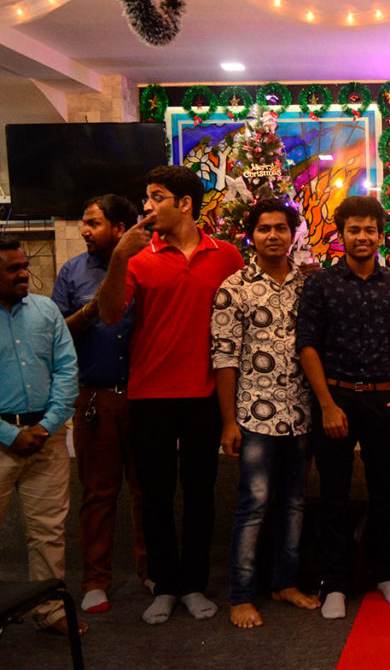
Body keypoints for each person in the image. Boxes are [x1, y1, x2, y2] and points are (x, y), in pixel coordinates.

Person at [96, 165, 244, 624]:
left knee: (201, 493)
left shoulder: (227, 255)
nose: (147, 206)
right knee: (155, 496)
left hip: (204, 395)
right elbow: (109, 314)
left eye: (156, 197)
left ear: (184, 204)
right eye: (147, 197)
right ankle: (164, 585)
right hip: (149, 396)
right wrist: (119, 258)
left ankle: (194, 584)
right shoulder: (139, 257)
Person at [297, 195, 390, 620]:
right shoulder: (321, 284)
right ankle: (335, 583)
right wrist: (327, 405)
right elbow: (307, 346)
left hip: (383, 399)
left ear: (381, 236)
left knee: (384, 489)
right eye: (354, 230)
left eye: (369, 230)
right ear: (341, 234)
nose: (362, 237)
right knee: (334, 492)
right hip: (336, 398)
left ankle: (385, 573)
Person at [210, 199, 320, 629]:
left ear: (292, 234)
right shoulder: (233, 288)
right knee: (253, 504)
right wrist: (228, 422)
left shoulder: (307, 285)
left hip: (300, 413)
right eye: (264, 228)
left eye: (280, 228)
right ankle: (240, 596)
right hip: (254, 415)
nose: (273, 235)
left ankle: (284, 582)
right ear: (251, 235)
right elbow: (224, 358)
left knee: (293, 503)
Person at [51, 195, 148, 614]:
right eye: (84, 222)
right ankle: (95, 581)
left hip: (145, 399)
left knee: (148, 493)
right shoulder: (72, 272)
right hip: (96, 398)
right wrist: (93, 308)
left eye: (93, 223)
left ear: (120, 228)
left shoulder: (149, 265)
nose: (85, 231)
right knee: (97, 496)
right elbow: (57, 335)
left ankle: (150, 572)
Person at [0, 236, 82, 635]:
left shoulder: (46, 310)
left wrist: (47, 426)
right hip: (1, 439)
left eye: (24, 266)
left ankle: (49, 610)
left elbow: (67, 370)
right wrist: (8, 434)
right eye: (12, 269)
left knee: (48, 530)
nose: (23, 274)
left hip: (45, 438)